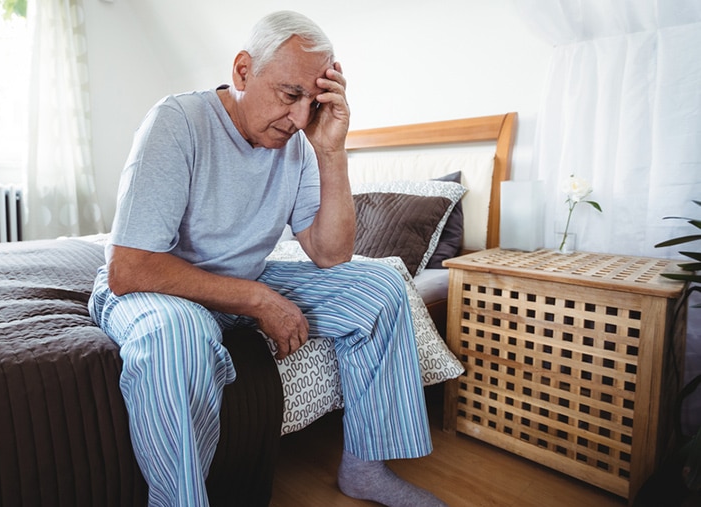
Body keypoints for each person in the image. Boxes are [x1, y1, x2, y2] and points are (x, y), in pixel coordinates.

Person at [89, 10, 446, 507]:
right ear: (242, 71)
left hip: (242, 277)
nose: (300, 118)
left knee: (381, 284)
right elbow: (129, 268)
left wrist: (332, 152)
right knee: (178, 337)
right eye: (290, 95)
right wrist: (258, 298)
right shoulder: (177, 121)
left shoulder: (300, 143)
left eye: (313, 101)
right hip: (158, 286)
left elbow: (332, 253)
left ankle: (365, 470)